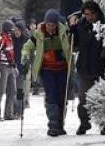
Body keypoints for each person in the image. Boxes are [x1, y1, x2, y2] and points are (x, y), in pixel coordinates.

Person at [22, 9, 73, 137]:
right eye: (49, 24)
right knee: (51, 95)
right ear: (45, 23)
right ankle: (53, 125)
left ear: (57, 24)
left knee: (62, 96)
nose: (51, 27)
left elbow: (73, 42)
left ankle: (60, 125)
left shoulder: (64, 31)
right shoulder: (39, 33)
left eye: (53, 24)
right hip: (47, 69)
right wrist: (25, 55)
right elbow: (28, 46)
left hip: (62, 68)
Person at [71, 1, 105, 136]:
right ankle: (84, 123)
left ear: (97, 12)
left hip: (102, 66)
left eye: (92, 14)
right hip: (84, 65)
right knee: (83, 97)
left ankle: (104, 125)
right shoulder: (80, 25)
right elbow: (75, 43)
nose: (89, 17)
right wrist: (72, 30)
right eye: (86, 14)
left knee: (103, 97)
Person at [10, 18, 30, 112]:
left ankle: (19, 110)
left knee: (19, 89)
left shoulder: (26, 40)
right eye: (15, 30)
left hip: (21, 67)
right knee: (11, 90)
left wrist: (26, 65)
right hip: (12, 66)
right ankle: (12, 109)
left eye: (18, 30)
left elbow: (29, 54)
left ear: (22, 30)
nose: (16, 32)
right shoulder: (11, 38)